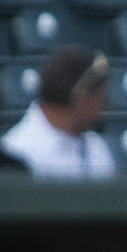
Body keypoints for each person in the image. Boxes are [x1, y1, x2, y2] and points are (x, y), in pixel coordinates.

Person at [1, 45, 115, 178]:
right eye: (101, 99)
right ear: (81, 97)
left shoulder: (96, 146)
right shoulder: (18, 150)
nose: (103, 110)